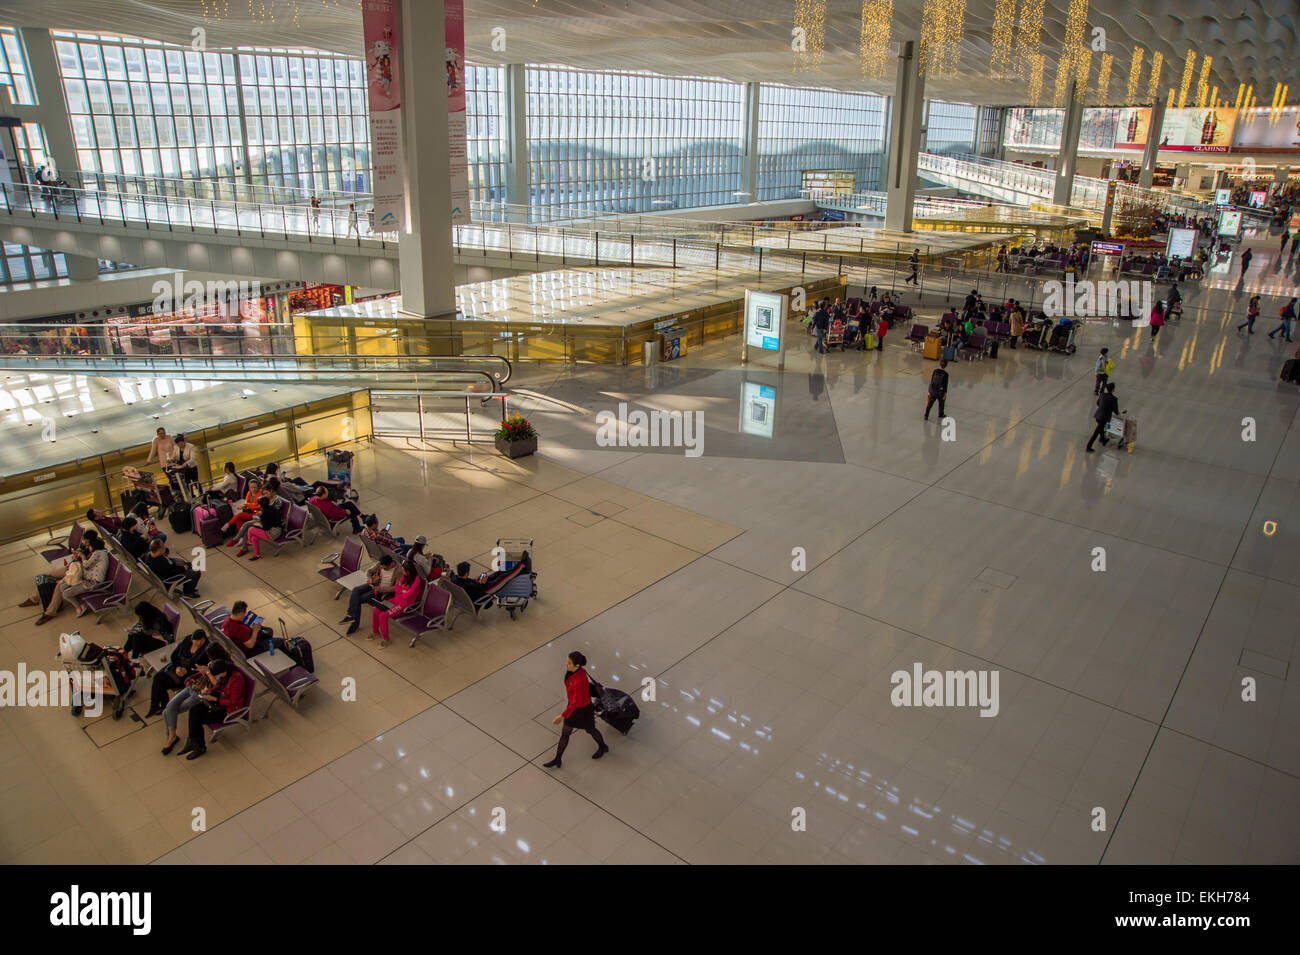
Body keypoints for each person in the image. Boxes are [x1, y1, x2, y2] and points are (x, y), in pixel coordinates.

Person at [542, 651, 608, 769]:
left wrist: (561, 716)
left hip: (583, 710)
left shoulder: (580, 681)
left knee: (591, 730)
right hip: (573, 707)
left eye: (569, 663)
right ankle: (558, 759)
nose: (566, 664)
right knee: (565, 733)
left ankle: (603, 746)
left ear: (577, 666)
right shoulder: (573, 671)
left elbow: (576, 702)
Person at [29, 533, 110, 624]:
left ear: (92, 541)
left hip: (80, 572)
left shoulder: (96, 550)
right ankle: (35, 598)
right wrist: (75, 559)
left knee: (60, 586)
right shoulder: (86, 546)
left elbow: (87, 565)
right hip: (75, 567)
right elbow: (79, 557)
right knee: (48, 575)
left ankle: (50, 612)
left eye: (87, 542)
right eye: (84, 541)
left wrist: (81, 558)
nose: (84, 543)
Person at [179, 660, 248, 760]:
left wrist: (215, 699)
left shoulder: (236, 680)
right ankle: (193, 741)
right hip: (220, 700)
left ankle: (198, 745)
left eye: (218, 675)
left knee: (198, 719)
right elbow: (219, 685)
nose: (218, 677)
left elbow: (233, 701)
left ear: (223, 671)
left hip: (229, 709)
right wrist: (211, 690)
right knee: (194, 709)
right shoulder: (224, 674)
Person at [145, 627, 211, 722]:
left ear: (203, 639)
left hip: (188, 675)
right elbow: (174, 655)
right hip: (176, 668)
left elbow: (201, 669)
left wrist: (186, 671)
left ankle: (164, 706)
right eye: (195, 641)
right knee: (157, 677)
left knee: (162, 684)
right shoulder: (187, 641)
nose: (197, 643)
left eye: (199, 641)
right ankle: (154, 706)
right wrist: (177, 667)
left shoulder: (207, 649)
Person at [340, 553, 399, 635]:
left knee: (358, 599)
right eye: (381, 566)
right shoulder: (380, 563)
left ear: (391, 564)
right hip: (374, 584)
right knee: (356, 590)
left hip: (382, 591)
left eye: (384, 568)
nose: (381, 568)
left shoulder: (398, 571)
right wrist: (369, 578)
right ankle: (350, 615)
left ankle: (354, 623)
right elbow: (369, 571)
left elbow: (396, 588)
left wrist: (381, 589)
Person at [371, 559, 421, 648]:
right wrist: (403, 590)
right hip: (396, 599)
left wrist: (402, 590)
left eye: (404, 571)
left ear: (410, 570)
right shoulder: (404, 576)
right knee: (376, 609)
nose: (403, 572)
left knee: (383, 616)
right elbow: (396, 589)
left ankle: (386, 639)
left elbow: (407, 596)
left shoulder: (416, 579)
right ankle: (375, 632)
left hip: (404, 605)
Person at [239, 494, 283, 561]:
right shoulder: (272, 507)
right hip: (278, 529)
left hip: (272, 533)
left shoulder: (264, 514)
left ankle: (249, 542)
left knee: (251, 529)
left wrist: (258, 524)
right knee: (254, 538)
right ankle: (257, 555)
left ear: (260, 505)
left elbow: (265, 527)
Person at [1086, 382, 1122, 453]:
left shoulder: (1102, 395)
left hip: (1098, 415)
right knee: (1096, 432)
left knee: (1100, 429)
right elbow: (1116, 411)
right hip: (1104, 418)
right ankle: (1088, 446)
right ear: (1113, 389)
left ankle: (1103, 440)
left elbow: (1098, 403)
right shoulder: (1114, 399)